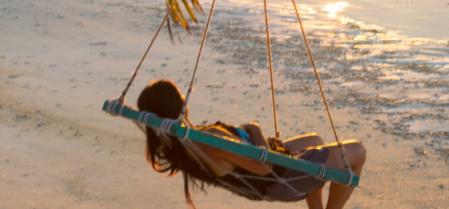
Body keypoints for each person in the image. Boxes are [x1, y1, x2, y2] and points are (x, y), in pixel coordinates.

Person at [136, 79, 367, 209]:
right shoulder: (209, 142)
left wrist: (258, 140)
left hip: (264, 171)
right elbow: (265, 167)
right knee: (356, 152)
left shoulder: (182, 144)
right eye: (181, 97)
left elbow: (249, 158)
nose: (185, 100)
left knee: (315, 140)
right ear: (177, 107)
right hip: (281, 177)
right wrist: (254, 128)